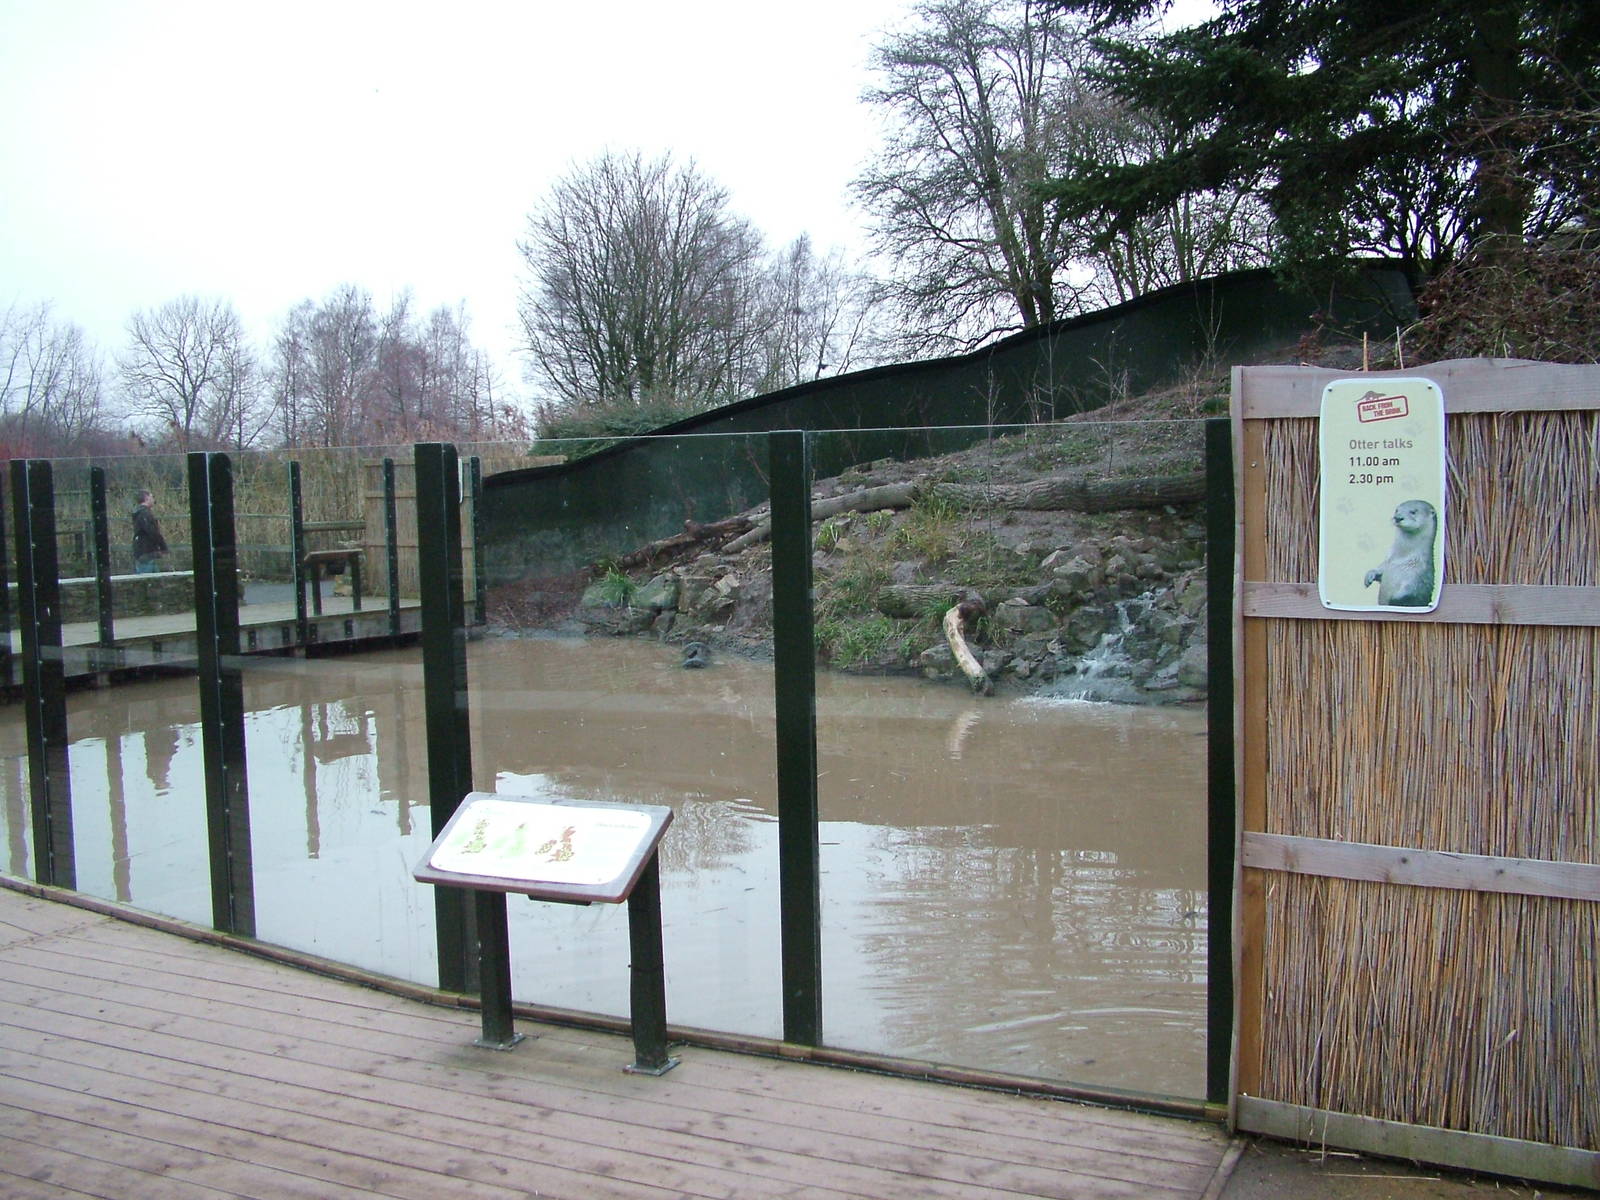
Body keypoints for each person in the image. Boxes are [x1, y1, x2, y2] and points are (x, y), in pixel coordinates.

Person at [131, 489, 168, 574]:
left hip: (144, 551)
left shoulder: (140, 513)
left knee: (153, 577)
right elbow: (152, 532)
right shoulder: (145, 514)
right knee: (147, 578)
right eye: (152, 497)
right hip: (147, 551)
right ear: (146, 498)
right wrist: (163, 546)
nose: (153, 499)